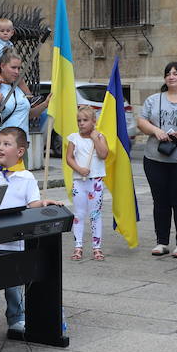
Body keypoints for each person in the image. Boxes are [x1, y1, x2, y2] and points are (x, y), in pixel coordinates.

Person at [0, 127, 60, 340]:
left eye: (7, 144)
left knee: (14, 285)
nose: (0, 147)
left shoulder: (27, 178)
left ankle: (16, 318)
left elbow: (32, 205)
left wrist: (44, 204)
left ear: (20, 151)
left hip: (15, 242)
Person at [137, 61, 177, 258]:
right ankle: (162, 241)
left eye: (176, 73)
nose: (171, 76)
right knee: (160, 201)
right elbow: (141, 121)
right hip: (155, 158)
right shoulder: (153, 99)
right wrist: (156, 130)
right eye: (168, 74)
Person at [0, 48, 49, 168]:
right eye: (13, 67)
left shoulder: (19, 89)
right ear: (2, 66)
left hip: (20, 148)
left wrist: (46, 104)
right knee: (1, 185)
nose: (17, 72)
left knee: (20, 185)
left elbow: (26, 115)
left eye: (19, 68)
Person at [67, 106, 109, 261]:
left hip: (96, 181)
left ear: (94, 121)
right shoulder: (73, 138)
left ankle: (96, 247)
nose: (81, 123)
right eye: (79, 120)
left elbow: (104, 154)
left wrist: (95, 138)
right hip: (79, 181)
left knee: (95, 214)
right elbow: (69, 158)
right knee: (78, 214)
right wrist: (79, 169)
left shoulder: (99, 137)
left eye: (85, 120)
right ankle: (78, 246)